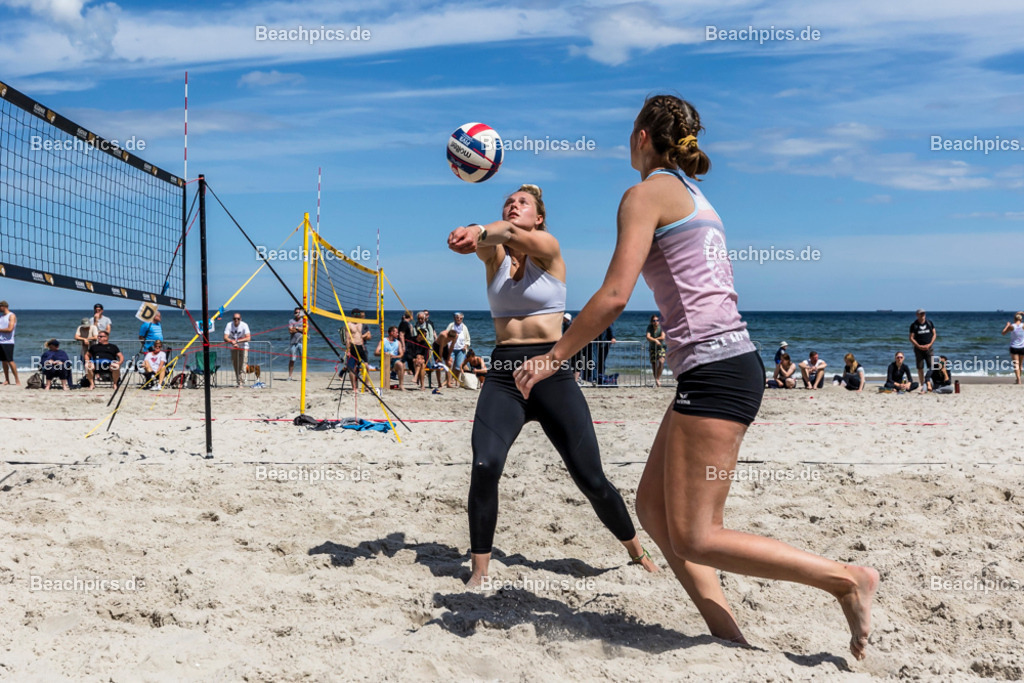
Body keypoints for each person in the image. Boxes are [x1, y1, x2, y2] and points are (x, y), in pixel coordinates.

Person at [512, 95, 877, 660]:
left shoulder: (644, 194)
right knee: (656, 511)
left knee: (698, 534)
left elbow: (613, 296)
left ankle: (846, 579)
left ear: (640, 138)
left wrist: (554, 356)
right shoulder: (693, 194)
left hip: (715, 368)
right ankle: (728, 637)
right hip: (723, 365)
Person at [448, 182, 658, 588]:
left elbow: (506, 233)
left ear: (538, 218)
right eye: (508, 202)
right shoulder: (493, 257)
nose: (513, 207)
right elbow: (489, 239)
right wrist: (468, 233)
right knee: (484, 465)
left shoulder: (549, 248)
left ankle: (637, 550)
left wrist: (477, 227)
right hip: (505, 371)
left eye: (522, 203)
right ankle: (480, 570)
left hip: (550, 369)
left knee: (590, 478)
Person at [344, 308, 372, 390]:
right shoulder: (348, 324)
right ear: (352, 315)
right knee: (351, 368)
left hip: (361, 347)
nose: (357, 316)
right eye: (355, 315)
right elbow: (347, 339)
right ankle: (354, 387)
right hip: (353, 346)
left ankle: (367, 386)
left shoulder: (362, 324)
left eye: (358, 315)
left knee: (366, 366)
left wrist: (365, 336)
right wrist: (348, 350)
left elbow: (368, 335)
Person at [909, 309, 937, 388]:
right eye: (921, 314)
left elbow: (934, 334)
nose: (922, 315)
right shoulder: (914, 325)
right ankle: (922, 384)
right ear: (917, 314)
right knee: (920, 367)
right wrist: (918, 346)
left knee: (931, 367)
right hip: (918, 350)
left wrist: (930, 344)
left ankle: (930, 383)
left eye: (924, 313)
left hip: (929, 348)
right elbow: (911, 338)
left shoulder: (929, 323)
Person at [223, 313, 251, 388]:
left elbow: (248, 338)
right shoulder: (229, 325)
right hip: (233, 347)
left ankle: (241, 382)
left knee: (243, 364)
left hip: (243, 347)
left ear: (240, 319)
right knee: (236, 365)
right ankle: (238, 381)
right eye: (234, 318)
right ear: (232, 319)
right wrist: (232, 341)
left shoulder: (244, 325)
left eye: (238, 319)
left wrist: (238, 341)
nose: (236, 320)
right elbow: (225, 337)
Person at [375, 326, 406, 391]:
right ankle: (385, 385)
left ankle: (401, 385)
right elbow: (376, 352)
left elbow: (401, 354)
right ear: (392, 333)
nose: (397, 334)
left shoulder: (398, 342)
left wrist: (395, 356)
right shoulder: (383, 340)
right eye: (396, 332)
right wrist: (384, 353)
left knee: (400, 364)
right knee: (386, 361)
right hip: (385, 358)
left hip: (394, 359)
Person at [446, 312, 471, 384]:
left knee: (458, 366)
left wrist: (466, 345)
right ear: (454, 318)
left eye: (460, 318)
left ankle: (456, 379)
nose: (459, 319)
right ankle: (448, 380)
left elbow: (468, 339)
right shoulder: (451, 325)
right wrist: (447, 344)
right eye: (457, 318)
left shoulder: (464, 327)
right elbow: (446, 335)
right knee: (449, 364)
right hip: (451, 349)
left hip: (461, 349)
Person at [1001, 312, 1024, 384]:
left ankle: (1018, 379)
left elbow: (1003, 333)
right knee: (1020, 364)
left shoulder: (1012, 326)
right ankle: (1019, 379)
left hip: (1014, 347)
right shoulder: (1023, 326)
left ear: (1014, 319)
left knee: (1016, 364)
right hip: (1022, 347)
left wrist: (1007, 325)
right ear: (1021, 319)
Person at [0, 300, 19, 385]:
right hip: (0, 341)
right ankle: (7, 379)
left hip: (8, 342)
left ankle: (17, 380)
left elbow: (10, 329)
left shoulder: (11, 316)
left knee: (10, 360)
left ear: (3, 307)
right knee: (3, 361)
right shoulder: (1, 317)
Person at [646, 313, 666, 387]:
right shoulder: (649, 327)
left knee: (661, 361)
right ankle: (656, 380)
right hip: (652, 348)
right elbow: (647, 337)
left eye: (657, 320)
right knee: (654, 364)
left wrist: (654, 339)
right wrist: (655, 341)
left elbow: (663, 337)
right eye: (654, 320)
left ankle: (657, 378)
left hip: (661, 347)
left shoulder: (662, 327)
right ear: (652, 322)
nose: (656, 322)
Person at [287, 308, 304, 380]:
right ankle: (290, 376)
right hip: (293, 342)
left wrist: (296, 328)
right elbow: (290, 331)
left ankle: (304, 376)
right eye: (296, 312)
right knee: (292, 360)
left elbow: (305, 329)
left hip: (302, 342)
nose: (297, 314)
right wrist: (299, 329)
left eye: (298, 312)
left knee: (303, 360)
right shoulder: (291, 321)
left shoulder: (304, 320)